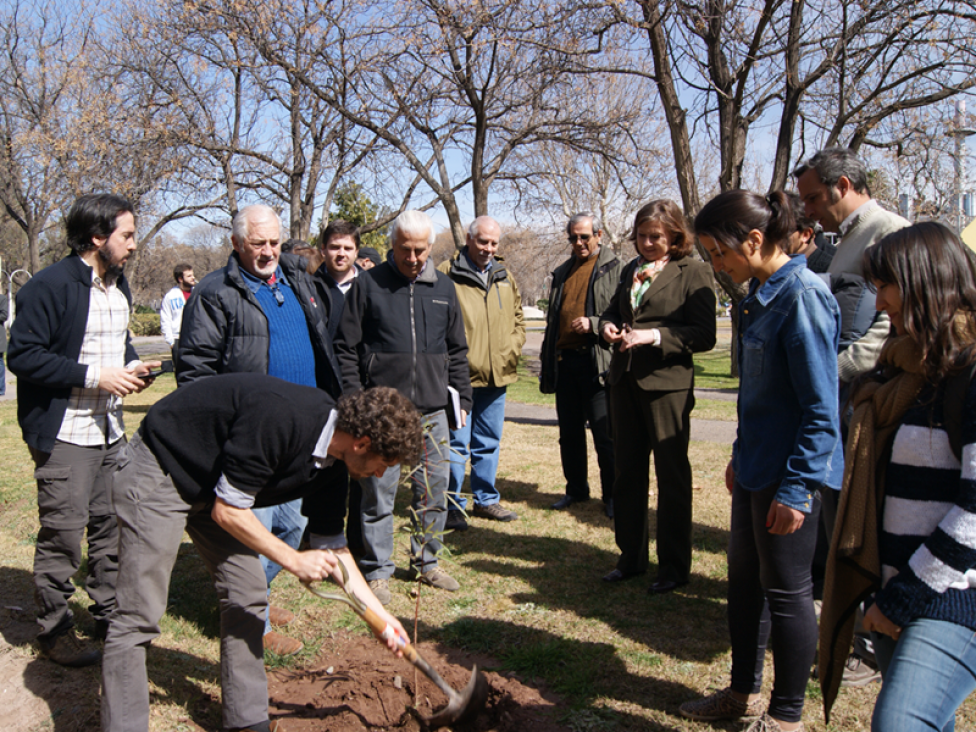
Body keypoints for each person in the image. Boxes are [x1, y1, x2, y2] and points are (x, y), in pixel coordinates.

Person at [101, 376, 418, 732]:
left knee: (248, 593)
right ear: (362, 443)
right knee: (139, 612)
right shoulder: (283, 418)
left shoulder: (333, 466)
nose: (380, 474)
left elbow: (333, 546)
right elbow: (229, 513)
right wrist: (294, 559)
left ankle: (247, 722)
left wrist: (381, 618)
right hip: (163, 468)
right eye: (384, 464)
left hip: (217, 487)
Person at [679, 190, 842, 732]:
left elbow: (821, 410)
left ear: (753, 240)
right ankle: (742, 692)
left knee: (789, 594)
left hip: (788, 477)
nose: (716, 265)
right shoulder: (757, 297)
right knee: (744, 585)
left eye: (718, 253)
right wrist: (737, 453)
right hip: (753, 468)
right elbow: (759, 395)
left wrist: (797, 489)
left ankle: (786, 717)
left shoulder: (804, 296)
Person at [819, 222, 976, 731]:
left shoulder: (970, 371)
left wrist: (905, 596)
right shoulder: (904, 370)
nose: (879, 301)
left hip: (949, 596)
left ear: (923, 283)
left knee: (902, 723)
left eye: (885, 286)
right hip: (892, 586)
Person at [177, 203, 342, 656]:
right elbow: (195, 373)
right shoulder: (215, 293)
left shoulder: (297, 281)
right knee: (253, 533)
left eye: (274, 241)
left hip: (301, 434)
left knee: (291, 527)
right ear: (235, 244)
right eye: (258, 244)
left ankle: (256, 597)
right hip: (252, 439)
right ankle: (252, 621)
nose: (269, 251)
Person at [7, 193, 161, 667]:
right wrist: (98, 376)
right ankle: (54, 632)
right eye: (127, 235)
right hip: (65, 437)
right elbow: (23, 356)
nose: (134, 245)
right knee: (63, 536)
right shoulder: (48, 286)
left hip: (111, 432)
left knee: (113, 530)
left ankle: (109, 614)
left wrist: (134, 367)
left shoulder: (119, 287)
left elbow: (117, 345)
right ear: (98, 237)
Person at [795, 147, 909, 686]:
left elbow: (882, 334)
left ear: (843, 184)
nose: (810, 211)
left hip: (871, 400)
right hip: (847, 396)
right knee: (841, 511)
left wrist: (823, 373)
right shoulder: (846, 243)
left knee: (861, 519)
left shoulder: (888, 234)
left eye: (815, 198)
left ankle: (867, 642)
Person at [335, 210, 472, 605]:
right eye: (404, 249)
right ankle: (377, 571)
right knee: (378, 496)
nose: (412, 258)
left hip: (432, 410)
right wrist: (354, 399)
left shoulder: (444, 288)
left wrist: (461, 397)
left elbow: (457, 351)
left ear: (431, 247)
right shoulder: (368, 285)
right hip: (383, 414)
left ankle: (427, 562)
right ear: (392, 244)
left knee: (434, 490)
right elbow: (346, 346)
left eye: (420, 250)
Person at [598, 200, 716, 593]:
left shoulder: (694, 271)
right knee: (627, 474)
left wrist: (654, 336)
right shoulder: (630, 270)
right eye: (641, 236)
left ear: (675, 237)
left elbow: (704, 334)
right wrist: (609, 328)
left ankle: (674, 568)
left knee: (671, 478)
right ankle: (630, 558)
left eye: (656, 237)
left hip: (667, 386)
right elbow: (614, 313)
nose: (646, 243)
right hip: (624, 381)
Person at [438, 216, 525, 530]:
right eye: (483, 241)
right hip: (459, 378)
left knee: (488, 441)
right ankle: (451, 505)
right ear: (468, 238)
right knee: (457, 445)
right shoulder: (446, 275)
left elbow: (518, 318)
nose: (489, 248)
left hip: (496, 375)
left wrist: (511, 348)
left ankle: (486, 500)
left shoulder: (504, 276)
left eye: (494, 243)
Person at [539, 212, 621, 516]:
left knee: (605, 435)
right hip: (565, 363)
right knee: (570, 433)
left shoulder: (617, 268)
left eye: (584, 236)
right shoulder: (562, 271)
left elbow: (625, 314)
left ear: (599, 235)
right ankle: (576, 490)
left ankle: (612, 497)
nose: (579, 242)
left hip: (598, 363)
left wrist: (595, 323)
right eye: (573, 237)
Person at [158, 263, 195, 367]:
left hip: (196, 337)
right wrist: (171, 342)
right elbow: (165, 319)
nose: (193, 278)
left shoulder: (198, 293)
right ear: (180, 279)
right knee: (181, 373)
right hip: (178, 338)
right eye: (189, 276)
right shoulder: (171, 296)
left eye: (192, 275)